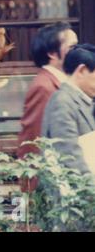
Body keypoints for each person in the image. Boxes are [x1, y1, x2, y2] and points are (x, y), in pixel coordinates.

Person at [18, 22, 78, 155]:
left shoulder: (60, 81)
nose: (79, 52)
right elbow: (33, 140)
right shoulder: (43, 87)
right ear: (52, 53)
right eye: (73, 47)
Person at [42, 44, 95, 174]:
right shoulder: (62, 102)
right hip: (75, 189)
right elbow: (68, 155)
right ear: (82, 71)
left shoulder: (80, 100)